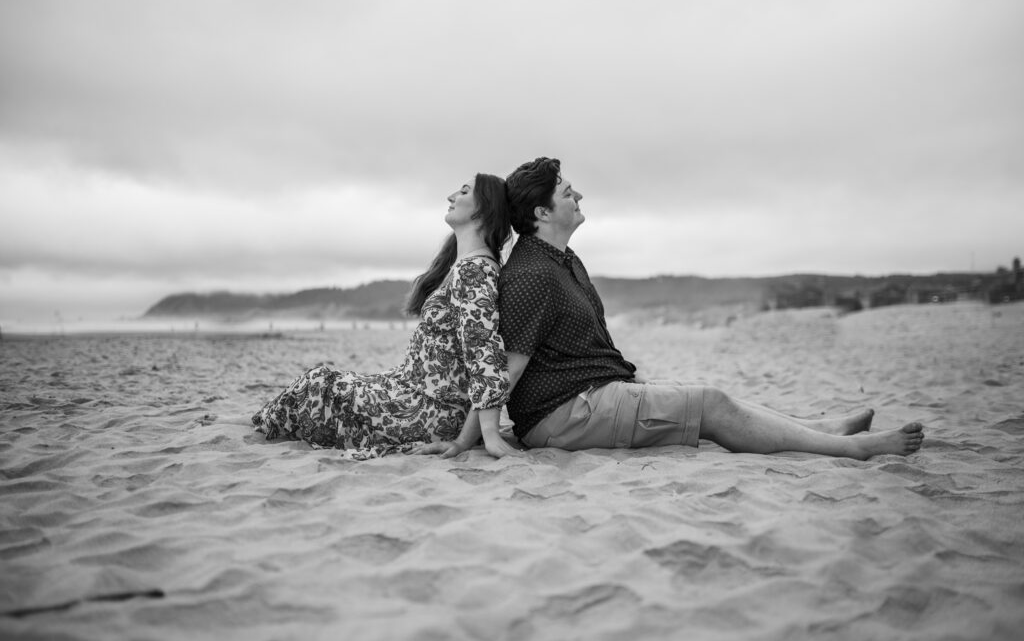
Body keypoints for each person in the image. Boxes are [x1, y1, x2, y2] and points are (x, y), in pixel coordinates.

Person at [493, 157, 925, 460]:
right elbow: (507, 371)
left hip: (592, 396)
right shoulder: (532, 275)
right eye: (568, 192)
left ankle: (819, 429)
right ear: (541, 212)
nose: (579, 195)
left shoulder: (564, 261)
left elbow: (586, 349)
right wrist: (475, 437)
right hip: (563, 416)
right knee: (712, 405)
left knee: (708, 396)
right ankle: (849, 450)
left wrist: (632, 380)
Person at [252, 174, 520, 460]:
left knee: (319, 383)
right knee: (323, 383)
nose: (452, 196)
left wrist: (473, 439)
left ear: (484, 209)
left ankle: (260, 424)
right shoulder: (465, 266)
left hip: (432, 412)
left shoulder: (475, 271)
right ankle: (261, 422)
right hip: (413, 393)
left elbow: (485, 357)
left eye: (464, 191)